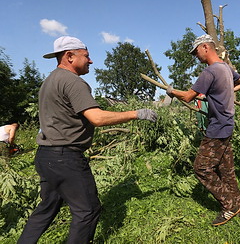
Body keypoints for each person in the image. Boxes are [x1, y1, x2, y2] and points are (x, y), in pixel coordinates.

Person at [18, 36, 157, 244]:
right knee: (88, 211)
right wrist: (136, 113)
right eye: (86, 56)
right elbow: (97, 118)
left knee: (46, 208)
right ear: (69, 56)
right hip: (65, 158)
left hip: (46, 156)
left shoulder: (50, 80)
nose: (90, 61)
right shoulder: (73, 81)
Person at [167, 34, 240, 226]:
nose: (196, 56)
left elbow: (187, 97)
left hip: (217, 127)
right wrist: (225, 92)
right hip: (228, 125)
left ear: (205, 47)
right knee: (226, 170)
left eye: (196, 51)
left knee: (201, 168)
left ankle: (229, 206)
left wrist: (171, 91)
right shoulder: (227, 69)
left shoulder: (210, 72)